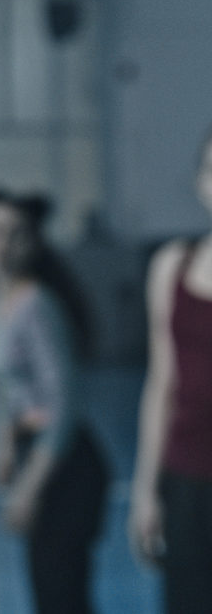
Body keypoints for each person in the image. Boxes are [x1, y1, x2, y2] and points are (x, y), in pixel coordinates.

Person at [0, 190, 110, 614]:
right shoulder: (0, 301)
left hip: (65, 465)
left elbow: (63, 405)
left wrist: (29, 489)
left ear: (33, 244)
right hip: (33, 449)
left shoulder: (38, 306)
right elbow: (10, 387)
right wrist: (3, 445)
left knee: (61, 599)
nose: (1, 243)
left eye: (15, 233)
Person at [130, 132, 212, 614]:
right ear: (201, 183)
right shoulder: (171, 267)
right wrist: (146, 490)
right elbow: (162, 383)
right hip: (186, 476)